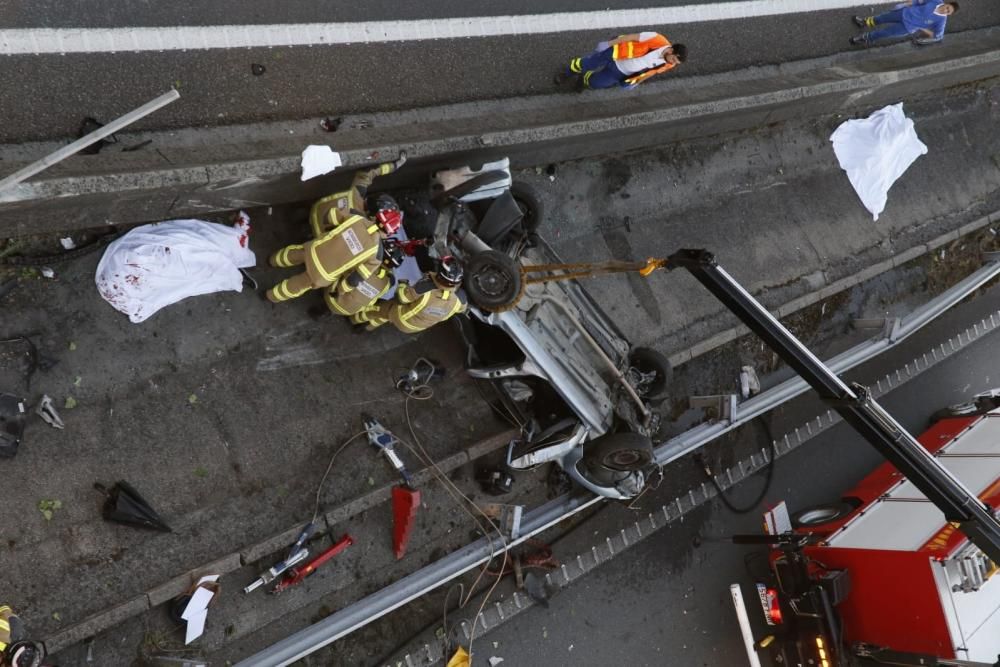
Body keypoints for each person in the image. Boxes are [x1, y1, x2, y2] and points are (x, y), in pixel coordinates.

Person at [265, 204, 402, 304]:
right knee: (297, 285)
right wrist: (339, 291)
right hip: (322, 274)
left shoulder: (356, 216)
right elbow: (354, 279)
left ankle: (272, 260)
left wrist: (330, 232)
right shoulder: (376, 256)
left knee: (293, 254)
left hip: (315, 250)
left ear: (377, 216)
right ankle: (271, 296)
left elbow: (329, 216)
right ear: (388, 234)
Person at [350, 256, 466, 333]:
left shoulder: (426, 287)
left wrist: (403, 284)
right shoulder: (460, 299)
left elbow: (401, 298)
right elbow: (461, 309)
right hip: (417, 327)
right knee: (386, 315)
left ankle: (354, 319)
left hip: (402, 317)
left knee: (378, 309)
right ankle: (367, 328)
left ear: (440, 275)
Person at [308, 153, 407, 238]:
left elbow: (368, 173)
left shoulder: (357, 193)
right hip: (319, 235)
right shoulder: (361, 227)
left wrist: (395, 165)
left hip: (317, 208)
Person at [556, 32, 687, 91]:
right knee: (585, 64)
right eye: (674, 59)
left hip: (620, 72)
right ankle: (567, 73)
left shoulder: (670, 63)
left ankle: (584, 79)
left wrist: (636, 83)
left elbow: (651, 73)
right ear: (671, 50)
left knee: (596, 84)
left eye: (676, 62)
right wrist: (608, 44)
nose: (673, 63)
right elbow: (632, 36)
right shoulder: (656, 38)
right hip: (615, 54)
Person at [323, 237, 405, 316]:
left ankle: (325, 303)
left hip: (333, 298)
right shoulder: (387, 283)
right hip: (350, 311)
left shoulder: (367, 263)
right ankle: (330, 310)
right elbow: (372, 301)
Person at [850, 0, 958, 46]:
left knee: (885, 32)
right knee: (881, 18)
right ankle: (864, 22)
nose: (946, 10)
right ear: (946, 3)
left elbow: (938, 36)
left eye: (948, 12)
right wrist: (909, 3)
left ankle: (865, 38)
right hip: (904, 12)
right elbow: (920, 1)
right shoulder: (936, 1)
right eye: (947, 8)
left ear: (949, 14)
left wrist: (924, 30)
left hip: (907, 27)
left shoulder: (941, 21)